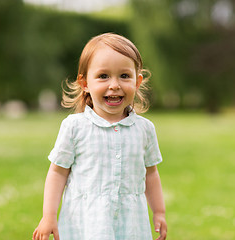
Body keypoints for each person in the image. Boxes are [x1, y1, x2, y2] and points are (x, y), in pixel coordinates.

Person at [33, 33, 167, 240]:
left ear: (137, 81)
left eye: (124, 76)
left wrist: (159, 212)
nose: (114, 85)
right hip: (86, 224)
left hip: (131, 224)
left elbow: (151, 174)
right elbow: (58, 173)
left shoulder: (144, 129)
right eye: (103, 76)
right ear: (85, 82)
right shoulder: (74, 127)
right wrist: (48, 216)